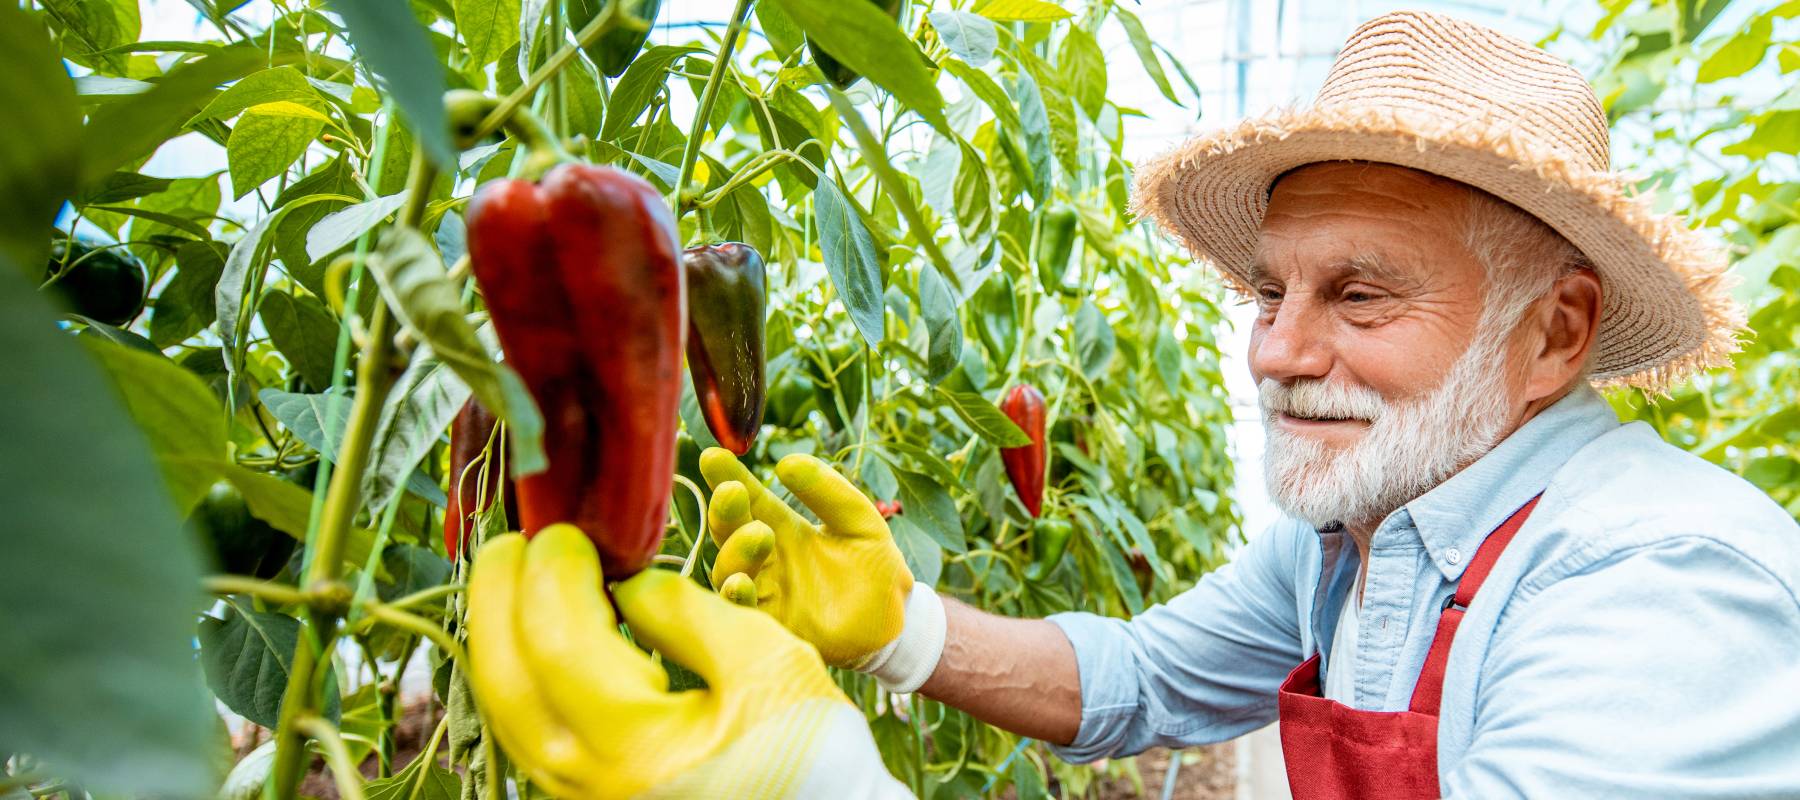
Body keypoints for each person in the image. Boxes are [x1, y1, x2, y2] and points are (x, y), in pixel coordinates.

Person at [464, 10, 1800, 799]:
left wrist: (811, 777)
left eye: (1361, 295)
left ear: (1555, 331)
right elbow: (1147, 678)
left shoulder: (1657, 584)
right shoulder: (1364, 534)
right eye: (1267, 293)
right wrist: (898, 626)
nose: (1278, 353)